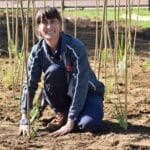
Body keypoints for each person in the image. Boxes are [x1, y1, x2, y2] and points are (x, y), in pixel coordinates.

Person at [19, 6, 105, 137]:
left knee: (89, 124)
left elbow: (80, 85)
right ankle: (62, 112)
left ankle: (74, 116)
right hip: (61, 95)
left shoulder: (76, 47)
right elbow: (30, 83)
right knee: (54, 71)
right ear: (38, 27)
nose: (49, 26)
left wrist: (71, 121)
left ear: (60, 24)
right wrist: (24, 117)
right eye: (44, 22)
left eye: (53, 21)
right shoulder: (37, 51)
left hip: (87, 93)